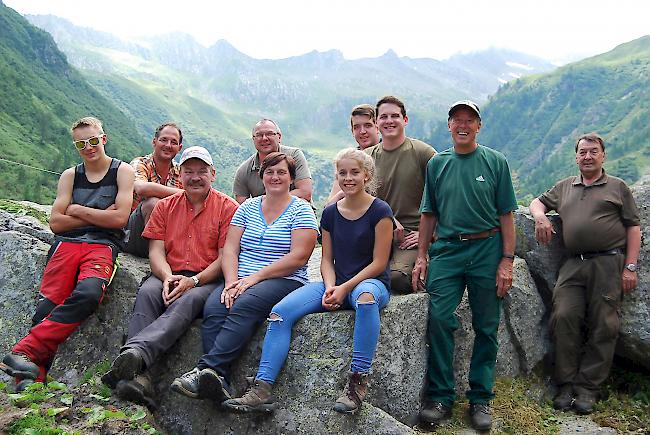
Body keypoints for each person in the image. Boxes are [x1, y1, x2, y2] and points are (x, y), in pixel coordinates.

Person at [223, 148, 393, 414]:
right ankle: (262, 387)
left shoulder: (380, 211)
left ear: (367, 176)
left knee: (366, 299)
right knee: (280, 312)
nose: (348, 178)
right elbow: (326, 259)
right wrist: (329, 287)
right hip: (335, 282)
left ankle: (357, 382)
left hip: (370, 282)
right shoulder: (330, 213)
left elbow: (379, 262)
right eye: (343, 173)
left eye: (355, 173)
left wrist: (344, 288)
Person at [171, 152, 318, 402]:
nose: (275, 177)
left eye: (281, 172)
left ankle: (207, 370)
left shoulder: (301, 210)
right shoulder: (248, 207)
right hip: (240, 278)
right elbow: (230, 248)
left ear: (291, 178)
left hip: (283, 278)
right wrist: (229, 282)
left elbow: (299, 257)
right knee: (216, 306)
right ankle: (218, 380)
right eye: (269, 172)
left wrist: (254, 278)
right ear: (261, 177)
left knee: (245, 304)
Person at [0, 117, 134, 390]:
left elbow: (120, 219)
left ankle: (22, 351)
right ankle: (30, 380)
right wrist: (99, 215)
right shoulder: (70, 175)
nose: (89, 147)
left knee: (89, 294)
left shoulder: (123, 171)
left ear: (103, 139)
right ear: (76, 146)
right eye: (81, 144)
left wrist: (78, 210)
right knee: (48, 306)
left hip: (103, 246)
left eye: (94, 141)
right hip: (66, 243)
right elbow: (56, 223)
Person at [101, 146, 238, 407]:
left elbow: (225, 258)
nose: (195, 177)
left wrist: (193, 280)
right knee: (148, 293)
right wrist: (166, 277)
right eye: (189, 172)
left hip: (205, 278)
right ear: (181, 176)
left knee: (186, 301)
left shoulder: (226, 208)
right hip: (169, 272)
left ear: (213, 174)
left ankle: (134, 356)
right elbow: (156, 251)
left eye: (201, 171)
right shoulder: (165, 206)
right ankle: (140, 377)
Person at [412, 100, 517, 431]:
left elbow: (506, 215)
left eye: (469, 120)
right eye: (456, 119)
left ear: (478, 125)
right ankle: (441, 396)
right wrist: (422, 255)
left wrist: (507, 260)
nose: (462, 124)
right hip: (447, 250)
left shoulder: (495, 162)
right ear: (449, 125)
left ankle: (480, 398)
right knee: (440, 318)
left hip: (488, 248)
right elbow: (428, 213)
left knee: (487, 325)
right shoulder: (437, 164)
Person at [529, 133, 640, 415]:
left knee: (605, 323)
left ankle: (587, 388)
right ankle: (566, 384)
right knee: (564, 316)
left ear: (603, 156)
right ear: (576, 157)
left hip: (608, 262)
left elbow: (633, 227)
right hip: (573, 264)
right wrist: (540, 217)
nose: (587, 157)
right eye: (582, 152)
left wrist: (630, 266)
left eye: (593, 152)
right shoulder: (566, 187)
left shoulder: (617, 187)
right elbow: (537, 203)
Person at [365, 96, 436, 293]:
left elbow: (446, 196)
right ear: (377, 123)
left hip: (411, 236)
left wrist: (428, 234)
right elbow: (357, 199)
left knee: (398, 278)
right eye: (383, 117)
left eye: (395, 116)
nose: (389, 121)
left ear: (405, 120)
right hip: (376, 233)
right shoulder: (367, 158)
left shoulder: (423, 153)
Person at [124, 123, 184, 258]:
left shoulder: (180, 172)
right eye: (164, 140)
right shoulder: (140, 163)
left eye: (173, 142)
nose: (168, 145)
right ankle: (158, 258)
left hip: (168, 233)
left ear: (179, 148)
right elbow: (141, 188)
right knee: (153, 203)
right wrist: (185, 194)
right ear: (154, 141)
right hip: (133, 233)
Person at [233, 119, 313, 204]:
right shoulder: (244, 171)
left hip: (297, 212)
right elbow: (241, 206)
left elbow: (305, 192)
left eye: (269, 134)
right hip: (262, 215)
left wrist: (270, 203)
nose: (264, 138)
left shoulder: (294, 156)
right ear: (253, 139)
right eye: (259, 135)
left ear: (279, 137)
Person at [325, 104, 381, 205]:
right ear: (352, 131)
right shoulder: (348, 159)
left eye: (367, 126)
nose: (362, 131)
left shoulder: (386, 154)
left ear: (377, 127)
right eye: (356, 127)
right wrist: (342, 194)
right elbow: (330, 204)